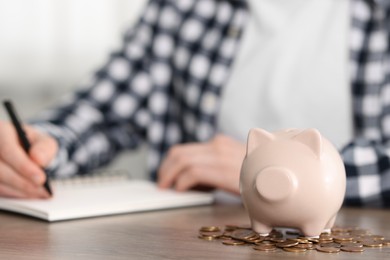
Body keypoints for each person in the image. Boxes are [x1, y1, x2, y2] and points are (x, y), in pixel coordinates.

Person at [0, 0, 389, 207]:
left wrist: (269, 169)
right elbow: (100, 113)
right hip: (195, 240)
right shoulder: (182, 6)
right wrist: (38, 146)